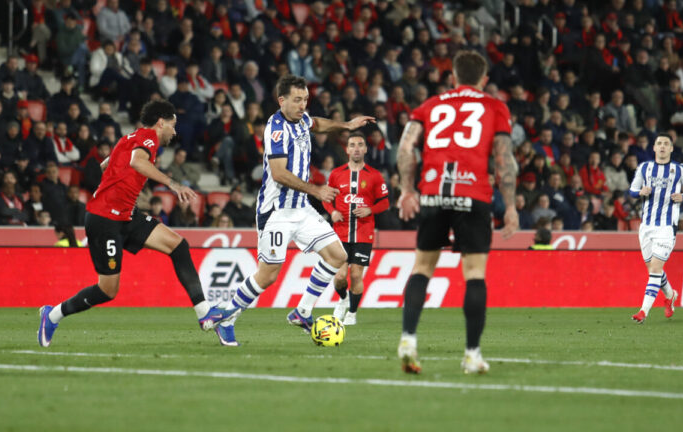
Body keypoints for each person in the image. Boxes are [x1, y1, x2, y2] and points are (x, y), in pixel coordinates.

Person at [37, 101, 236, 348]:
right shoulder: (149, 139)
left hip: (126, 214)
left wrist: (118, 181)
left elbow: (105, 165)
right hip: (105, 219)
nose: (174, 132)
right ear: (160, 122)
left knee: (178, 245)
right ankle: (52, 315)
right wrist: (172, 184)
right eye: (172, 125)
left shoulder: (130, 138)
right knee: (107, 290)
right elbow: (137, 162)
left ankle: (205, 313)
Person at [215, 75, 374, 347]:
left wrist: (346, 125)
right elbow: (278, 173)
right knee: (268, 275)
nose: (303, 105)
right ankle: (226, 319)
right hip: (277, 211)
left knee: (337, 256)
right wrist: (316, 190)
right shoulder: (276, 129)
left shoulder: (301, 119)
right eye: (297, 100)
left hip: (300, 208)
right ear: (282, 101)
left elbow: (317, 123)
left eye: (305, 100)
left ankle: (302, 311)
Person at [395, 51, 518, 375]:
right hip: (473, 194)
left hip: (434, 193)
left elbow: (405, 148)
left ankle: (408, 338)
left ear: (452, 78)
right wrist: (511, 206)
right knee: (474, 274)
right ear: (484, 80)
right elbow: (504, 160)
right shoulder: (495, 107)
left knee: (422, 267)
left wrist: (407, 190)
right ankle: (472, 355)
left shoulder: (430, 105)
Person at [321, 132, 389, 326]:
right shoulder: (336, 174)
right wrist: (332, 211)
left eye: (360, 144)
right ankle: (343, 299)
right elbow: (326, 198)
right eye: (352, 145)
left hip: (363, 232)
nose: (356, 148)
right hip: (340, 232)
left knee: (356, 274)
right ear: (347, 149)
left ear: (365, 149)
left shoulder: (374, 175)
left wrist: (370, 209)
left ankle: (351, 313)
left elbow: (385, 203)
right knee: (340, 276)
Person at [629, 134, 683, 324]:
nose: (662, 146)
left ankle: (643, 312)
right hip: (646, 227)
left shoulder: (679, 169)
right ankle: (670, 295)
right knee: (653, 269)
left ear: (671, 149)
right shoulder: (644, 168)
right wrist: (640, 192)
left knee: (655, 269)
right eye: (659, 143)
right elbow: (632, 190)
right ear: (654, 147)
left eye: (666, 144)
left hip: (666, 227)